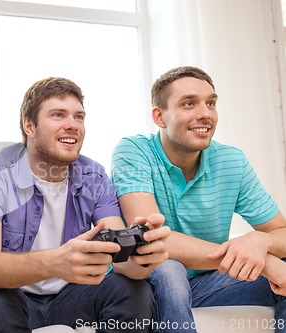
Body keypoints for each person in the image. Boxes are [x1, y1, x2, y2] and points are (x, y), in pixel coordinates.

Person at [0, 77, 170, 333]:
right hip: (13, 297)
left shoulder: (94, 177)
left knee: (133, 290)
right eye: (58, 115)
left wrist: (142, 258)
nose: (72, 125)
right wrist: (55, 261)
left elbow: (120, 258)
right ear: (29, 126)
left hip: (71, 296)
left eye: (79, 117)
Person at [110, 66, 286, 333]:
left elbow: (281, 233)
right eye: (189, 103)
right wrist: (263, 263)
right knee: (169, 268)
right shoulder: (133, 151)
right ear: (159, 116)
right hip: (144, 284)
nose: (205, 114)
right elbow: (150, 237)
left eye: (211, 103)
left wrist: (260, 241)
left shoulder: (232, 160)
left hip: (208, 284)